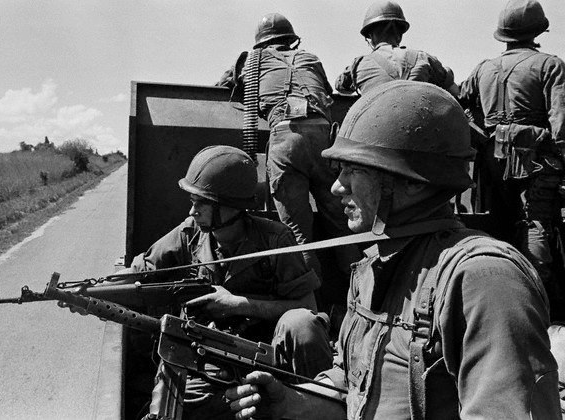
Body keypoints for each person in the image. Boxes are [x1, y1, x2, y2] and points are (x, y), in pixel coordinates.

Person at [223, 81, 560, 419]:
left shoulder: (484, 279)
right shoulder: (371, 267)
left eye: (355, 170)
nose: (338, 186)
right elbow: (354, 386)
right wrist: (290, 402)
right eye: (339, 170)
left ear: (413, 181)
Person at [120, 145, 332, 420]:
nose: (192, 210)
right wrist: (90, 293)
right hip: (209, 360)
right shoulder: (188, 234)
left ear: (229, 206)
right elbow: (139, 272)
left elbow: (307, 306)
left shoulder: (275, 240)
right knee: (173, 406)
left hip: (271, 358)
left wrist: (237, 305)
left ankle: (317, 404)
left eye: (201, 202)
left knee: (301, 323)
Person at [217, 13, 358, 282]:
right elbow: (327, 93)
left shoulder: (251, 62)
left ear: (261, 44)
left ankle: (312, 305)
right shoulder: (310, 58)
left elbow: (226, 84)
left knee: (297, 236)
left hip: (285, 138)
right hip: (323, 139)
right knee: (342, 226)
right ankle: (358, 294)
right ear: (291, 40)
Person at [459, 0, 565, 303]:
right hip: (536, 160)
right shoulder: (549, 65)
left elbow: (456, 105)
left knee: (503, 224)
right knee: (535, 221)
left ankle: (500, 295)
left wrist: (482, 137)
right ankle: (537, 300)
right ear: (538, 30)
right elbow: (561, 124)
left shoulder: (483, 68)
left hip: (493, 159)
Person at [335, 0, 458, 97]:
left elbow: (340, 87)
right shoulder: (423, 58)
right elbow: (453, 89)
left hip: (377, 126)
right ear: (399, 35)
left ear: (371, 37)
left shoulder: (357, 65)